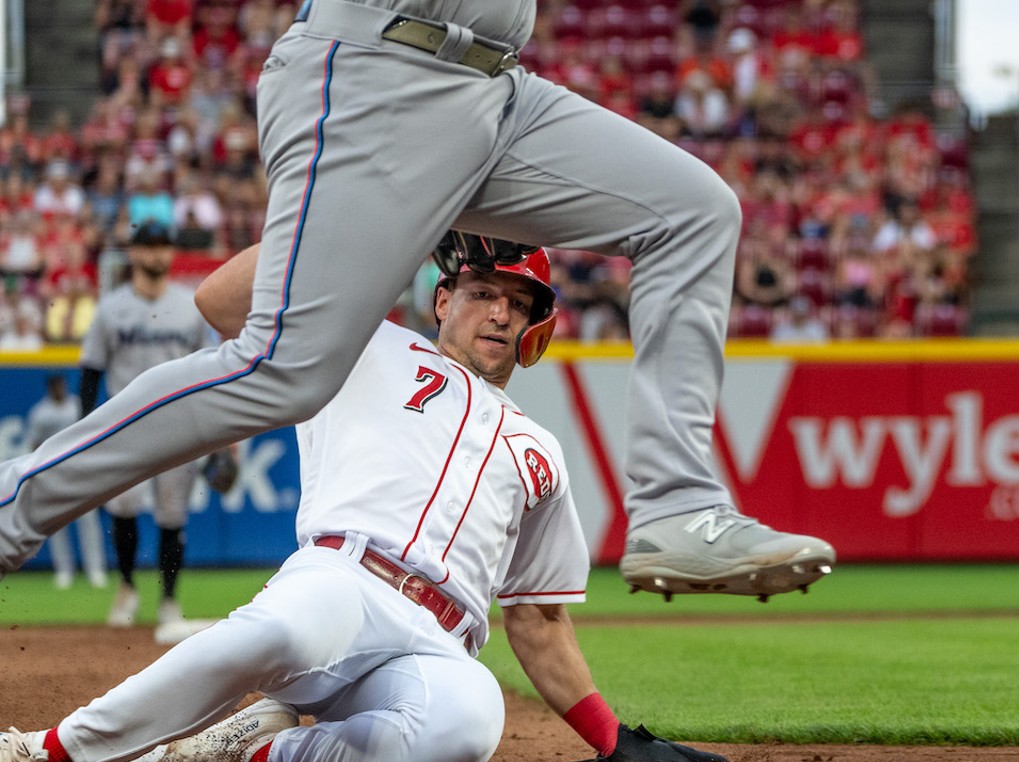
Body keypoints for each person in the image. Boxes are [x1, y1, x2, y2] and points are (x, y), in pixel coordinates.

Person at [0, 0, 834, 602]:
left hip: (499, 92)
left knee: (694, 209)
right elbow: (218, 299)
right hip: (377, 68)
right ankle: (16, 506)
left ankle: (676, 508)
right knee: (282, 370)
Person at [0, 234, 728, 762]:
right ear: (443, 300)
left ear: (535, 329)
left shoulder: (540, 452)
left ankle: (258, 748)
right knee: (280, 624)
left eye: (520, 302)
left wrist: (611, 738)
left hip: (438, 641)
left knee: (469, 727)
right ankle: (52, 748)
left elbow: (537, 618)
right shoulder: (364, 343)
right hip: (340, 583)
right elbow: (220, 302)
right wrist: (364, 225)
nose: (500, 311)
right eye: (483, 291)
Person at [78, 221, 211, 630]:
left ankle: (169, 599)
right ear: (133, 253)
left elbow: (210, 372)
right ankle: (127, 586)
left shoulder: (191, 306)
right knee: (124, 511)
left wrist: (216, 433)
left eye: (164, 246)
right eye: (149, 246)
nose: (158, 254)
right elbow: (91, 372)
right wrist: (87, 432)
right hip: (126, 427)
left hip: (177, 427)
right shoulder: (112, 307)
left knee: (173, 518)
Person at [24, 374, 108, 590]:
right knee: (55, 524)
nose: (59, 389)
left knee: (88, 522)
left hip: (80, 471)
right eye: (55, 386)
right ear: (50, 388)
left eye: (61, 385)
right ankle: (64, 571)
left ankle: (95, 570)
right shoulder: (41, 413)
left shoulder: (77, 406)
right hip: (53, 473)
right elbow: (33, 445)